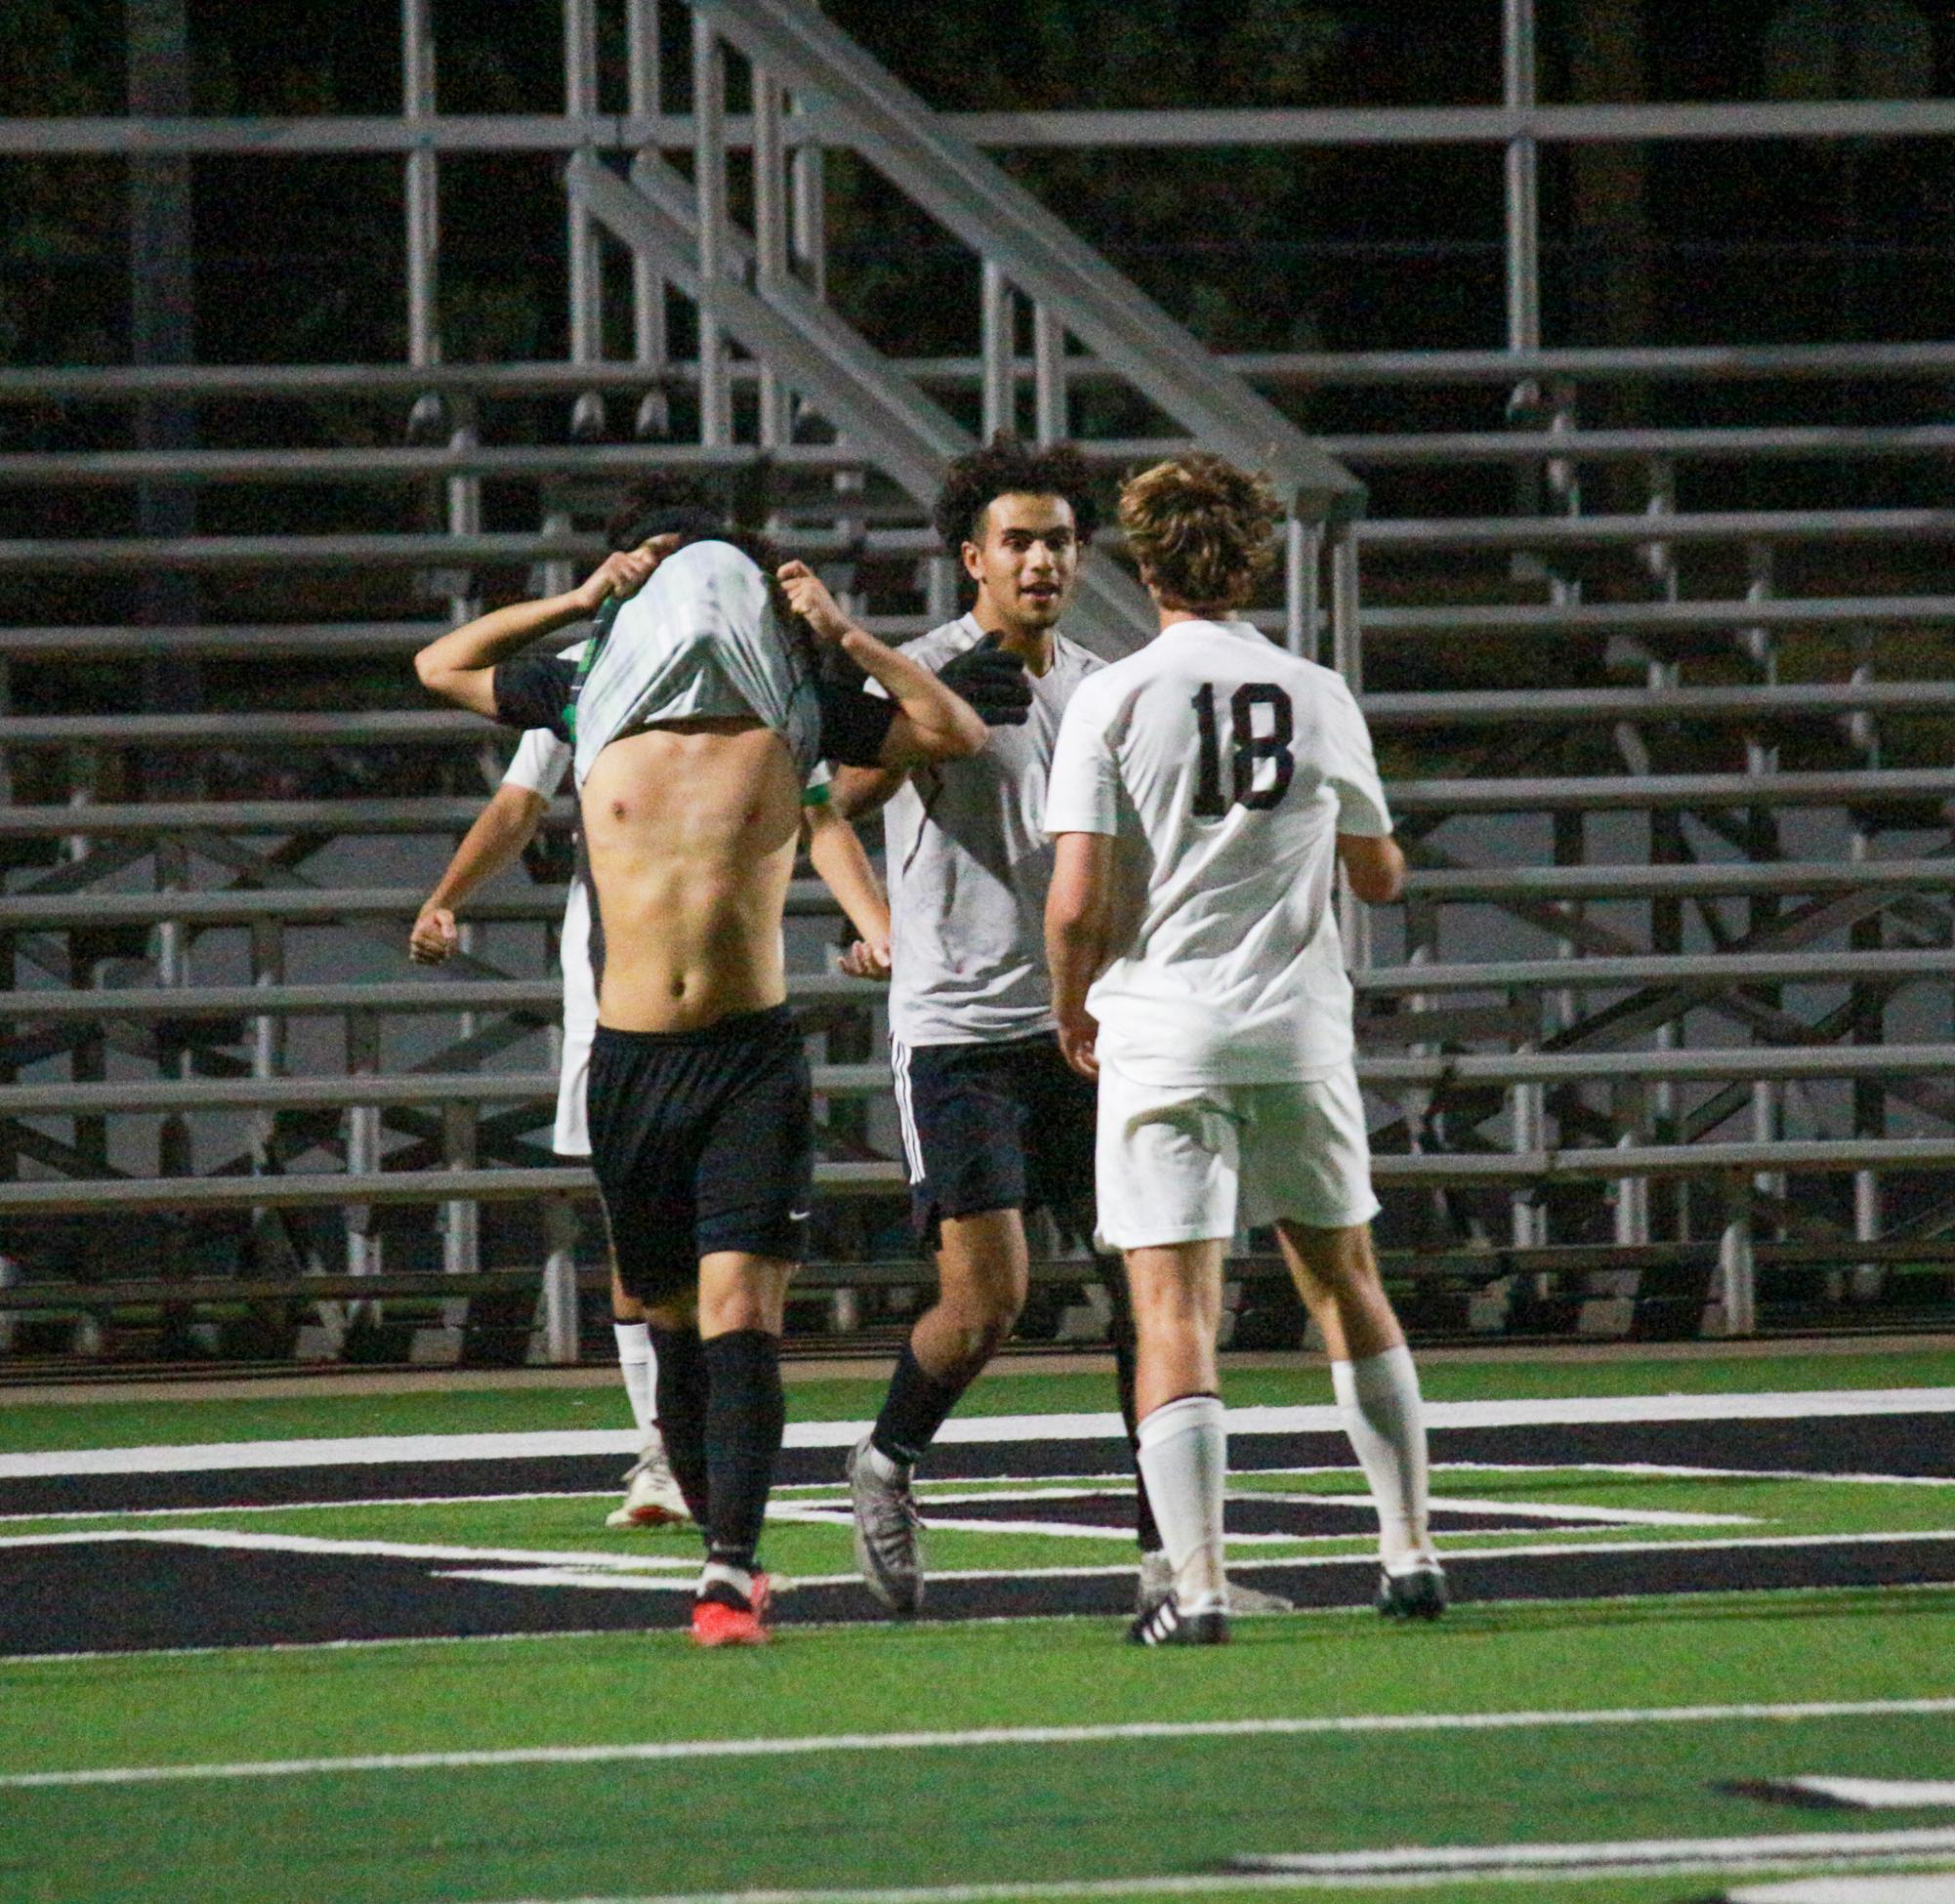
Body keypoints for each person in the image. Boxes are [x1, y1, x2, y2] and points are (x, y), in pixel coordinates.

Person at [415, 482, 1024, 1644]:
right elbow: (440, 664)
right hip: (633, 1056)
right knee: (669, 1318)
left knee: (743, 1305)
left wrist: (843, 633)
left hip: (748, 1053)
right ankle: (719, 1542)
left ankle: (731, 1571)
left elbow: (952, 731)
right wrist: (583, 598)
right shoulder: (587, 684)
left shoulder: (795, 693)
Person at [829, 435, 1291, 1621]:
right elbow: (827, 804)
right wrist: (920, 752)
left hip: (1094, 1028)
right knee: (989, 1304)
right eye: (1018, 541)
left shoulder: (1106, 680)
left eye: (1060, 541)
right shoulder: (923, 672)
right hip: (960, 1028)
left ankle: (1171, 1561)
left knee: (1155, 1294)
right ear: (970, 557)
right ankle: (884, 1460)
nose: (1041, 560)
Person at [409, 527, 894, 1532]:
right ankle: (658, 1447)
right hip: (620, 1010)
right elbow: (502, 782)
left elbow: (831, 807)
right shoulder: (595, 675)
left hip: (737, 1029)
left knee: (736, 1299)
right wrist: (447, 895)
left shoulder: (773, 687)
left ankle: (721, 1534)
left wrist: (880, 923)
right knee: (648, 1272)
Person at [1043, 453, 1445, 1646]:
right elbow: (1378, 870)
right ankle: (1411, 1548)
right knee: (1346, 1281)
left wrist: (1073, 1006)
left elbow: (1073, 902)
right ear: (1253, 555)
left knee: (1174, 1308)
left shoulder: (1113, 697)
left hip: (1164, 1029)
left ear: (1145, 558)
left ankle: (1202, 1582)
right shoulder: (1315, 689)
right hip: (1293, 1024)